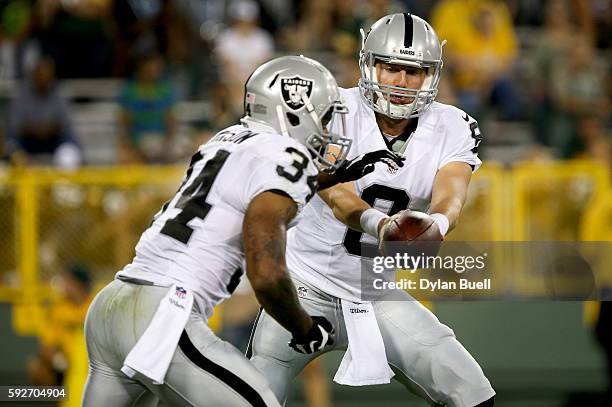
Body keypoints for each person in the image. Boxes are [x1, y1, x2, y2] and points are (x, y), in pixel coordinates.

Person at [82, 55, 403, 407]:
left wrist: (339, 174)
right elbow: (265, 274)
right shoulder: (286, 154)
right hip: (164, 312)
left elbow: (264, 184)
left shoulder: (227, 138)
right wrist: (305, 328)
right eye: (325, 117)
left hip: (113, 306)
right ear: (292, 111)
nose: (328, 130)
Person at [249, 14, 496, 407]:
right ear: (370, 65)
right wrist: (380, 224)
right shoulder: (331, 110)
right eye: (391, 67)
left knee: (472, 393)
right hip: (305, 285)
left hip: (377, 292)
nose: (400, 82)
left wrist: (438, 222)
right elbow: (337, 194)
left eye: (413, 71)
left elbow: (452, 187)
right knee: (253, 397)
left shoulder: (452, 124)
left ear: (431, 75)